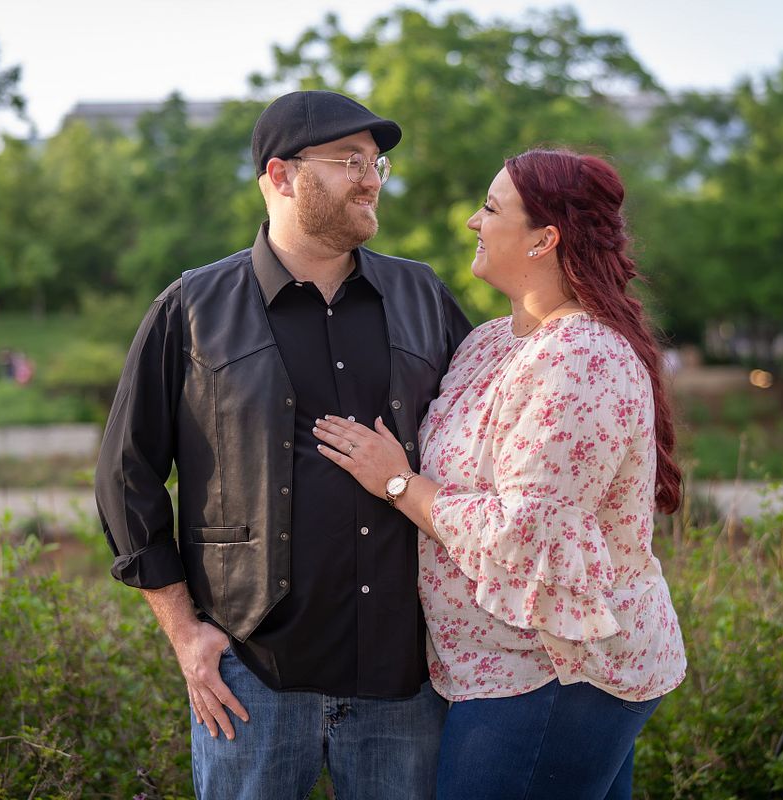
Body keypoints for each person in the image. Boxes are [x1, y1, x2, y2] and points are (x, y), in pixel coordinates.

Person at [95, 90, 473, 800]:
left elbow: (491, 440)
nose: (371, 178)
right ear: (281, 175)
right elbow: (126, 476)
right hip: (250, 677)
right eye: (347, 160)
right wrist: (184, 633)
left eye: (376, 162)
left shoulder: (425, 296)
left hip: (408, 679)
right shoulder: (191, 309)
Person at [313, 148, 687, 799]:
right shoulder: (491, 342)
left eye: (490, 208)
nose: (471, 222)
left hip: (556, 674)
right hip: (503, 673)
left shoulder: (582, 356)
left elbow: (526, 530)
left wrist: (399, 485)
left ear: (544, 238)